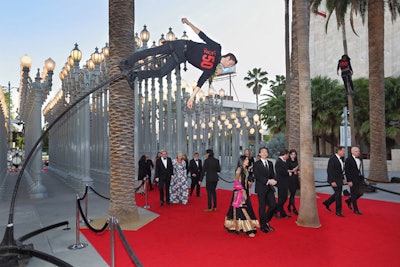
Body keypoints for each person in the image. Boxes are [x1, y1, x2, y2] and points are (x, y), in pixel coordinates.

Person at [119, 17, 238, 109]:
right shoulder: (217, 48)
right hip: (181, 45)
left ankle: (135, 76)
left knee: (162, 72)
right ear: (228, 58)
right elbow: (202, 36)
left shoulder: (211, 70)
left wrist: (191, 98)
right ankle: (127, 62)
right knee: (152, 52)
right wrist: (188, 23)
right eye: (230, 64)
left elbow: (200, 82)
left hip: (181, 57)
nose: (229, 67)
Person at [224, 155, 260, 237]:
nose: (248, 161)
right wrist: (242, 190)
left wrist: (248, 184)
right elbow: (236, 181)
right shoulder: (239, 169)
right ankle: (247, 229)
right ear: (242, 161)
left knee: (244, 209)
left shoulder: (245, 169)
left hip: (245, 191)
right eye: (246, 159)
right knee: (243, 209)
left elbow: (245, 180)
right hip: (240, 192)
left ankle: (240, 226)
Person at [253, 147, 277, 233]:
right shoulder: (256, 164)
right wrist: (268, 181)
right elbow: (257, 176)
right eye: (262, 152)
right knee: (262, 207)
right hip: (261, 188)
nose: (264, 153)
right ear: (259, 154)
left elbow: (273, 174)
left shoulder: (270, 163)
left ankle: (265, 221)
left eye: (265, 152)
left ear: (267, 154)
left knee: (273, 205)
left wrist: (274, 180)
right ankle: (263, 226)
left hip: (270, 188)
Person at [323, 146, 346, 217]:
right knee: (338, 195)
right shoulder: (332, 159)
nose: (344, 153)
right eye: (343, 151)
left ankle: (327, 202)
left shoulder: (341, 159)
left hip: (339, 179)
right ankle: (338, 211)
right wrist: (332, 181)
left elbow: (340, 171)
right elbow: (329, 171)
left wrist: (343, 179)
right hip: (334, 180)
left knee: (338, 194)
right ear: (338, 151)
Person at [344, 146, 364, 215]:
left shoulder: (360, 159)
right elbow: (347, 171)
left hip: (359, 179)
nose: (358, 152)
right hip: (352, 179)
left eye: (358, 151)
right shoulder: (348, 159)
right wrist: (349, 181)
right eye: (356, 151)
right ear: (352, 152)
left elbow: (359, 169)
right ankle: (356, 210)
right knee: (353, 193)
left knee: (361, 192)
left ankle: (349, 200)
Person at [275, 149, 291, 218]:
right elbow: (280, 172)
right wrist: (288, 173)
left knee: (283, 198)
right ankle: (275, 210)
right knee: (282, 198)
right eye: (288, 155)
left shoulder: (283, 161)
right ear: (285, 154)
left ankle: (282, 213)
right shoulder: (279, 161)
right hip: (281, 183)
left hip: (284, 182)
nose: (288, 157)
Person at [287, 149, 300, 215]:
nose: (293, 156)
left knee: (293, 194)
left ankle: (289, 206)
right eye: (292, 154)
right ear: (289, 154)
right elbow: (286, 170)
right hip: (290, 179)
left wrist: (298, 171)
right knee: (292, 194)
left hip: (295, 178)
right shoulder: (288, 161)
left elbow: (298, 169)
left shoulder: (296, 160)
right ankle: (294, 208)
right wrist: (292, 170)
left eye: (294, 154)